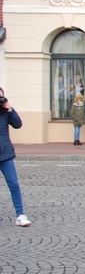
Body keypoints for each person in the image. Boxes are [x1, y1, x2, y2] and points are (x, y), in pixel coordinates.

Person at [0, 87, 32, 227]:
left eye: (2, 97)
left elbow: (18, 124)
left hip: (5, 154)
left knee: (13, 184)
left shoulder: (5, 112)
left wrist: (10, 109)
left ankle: (20, 215)